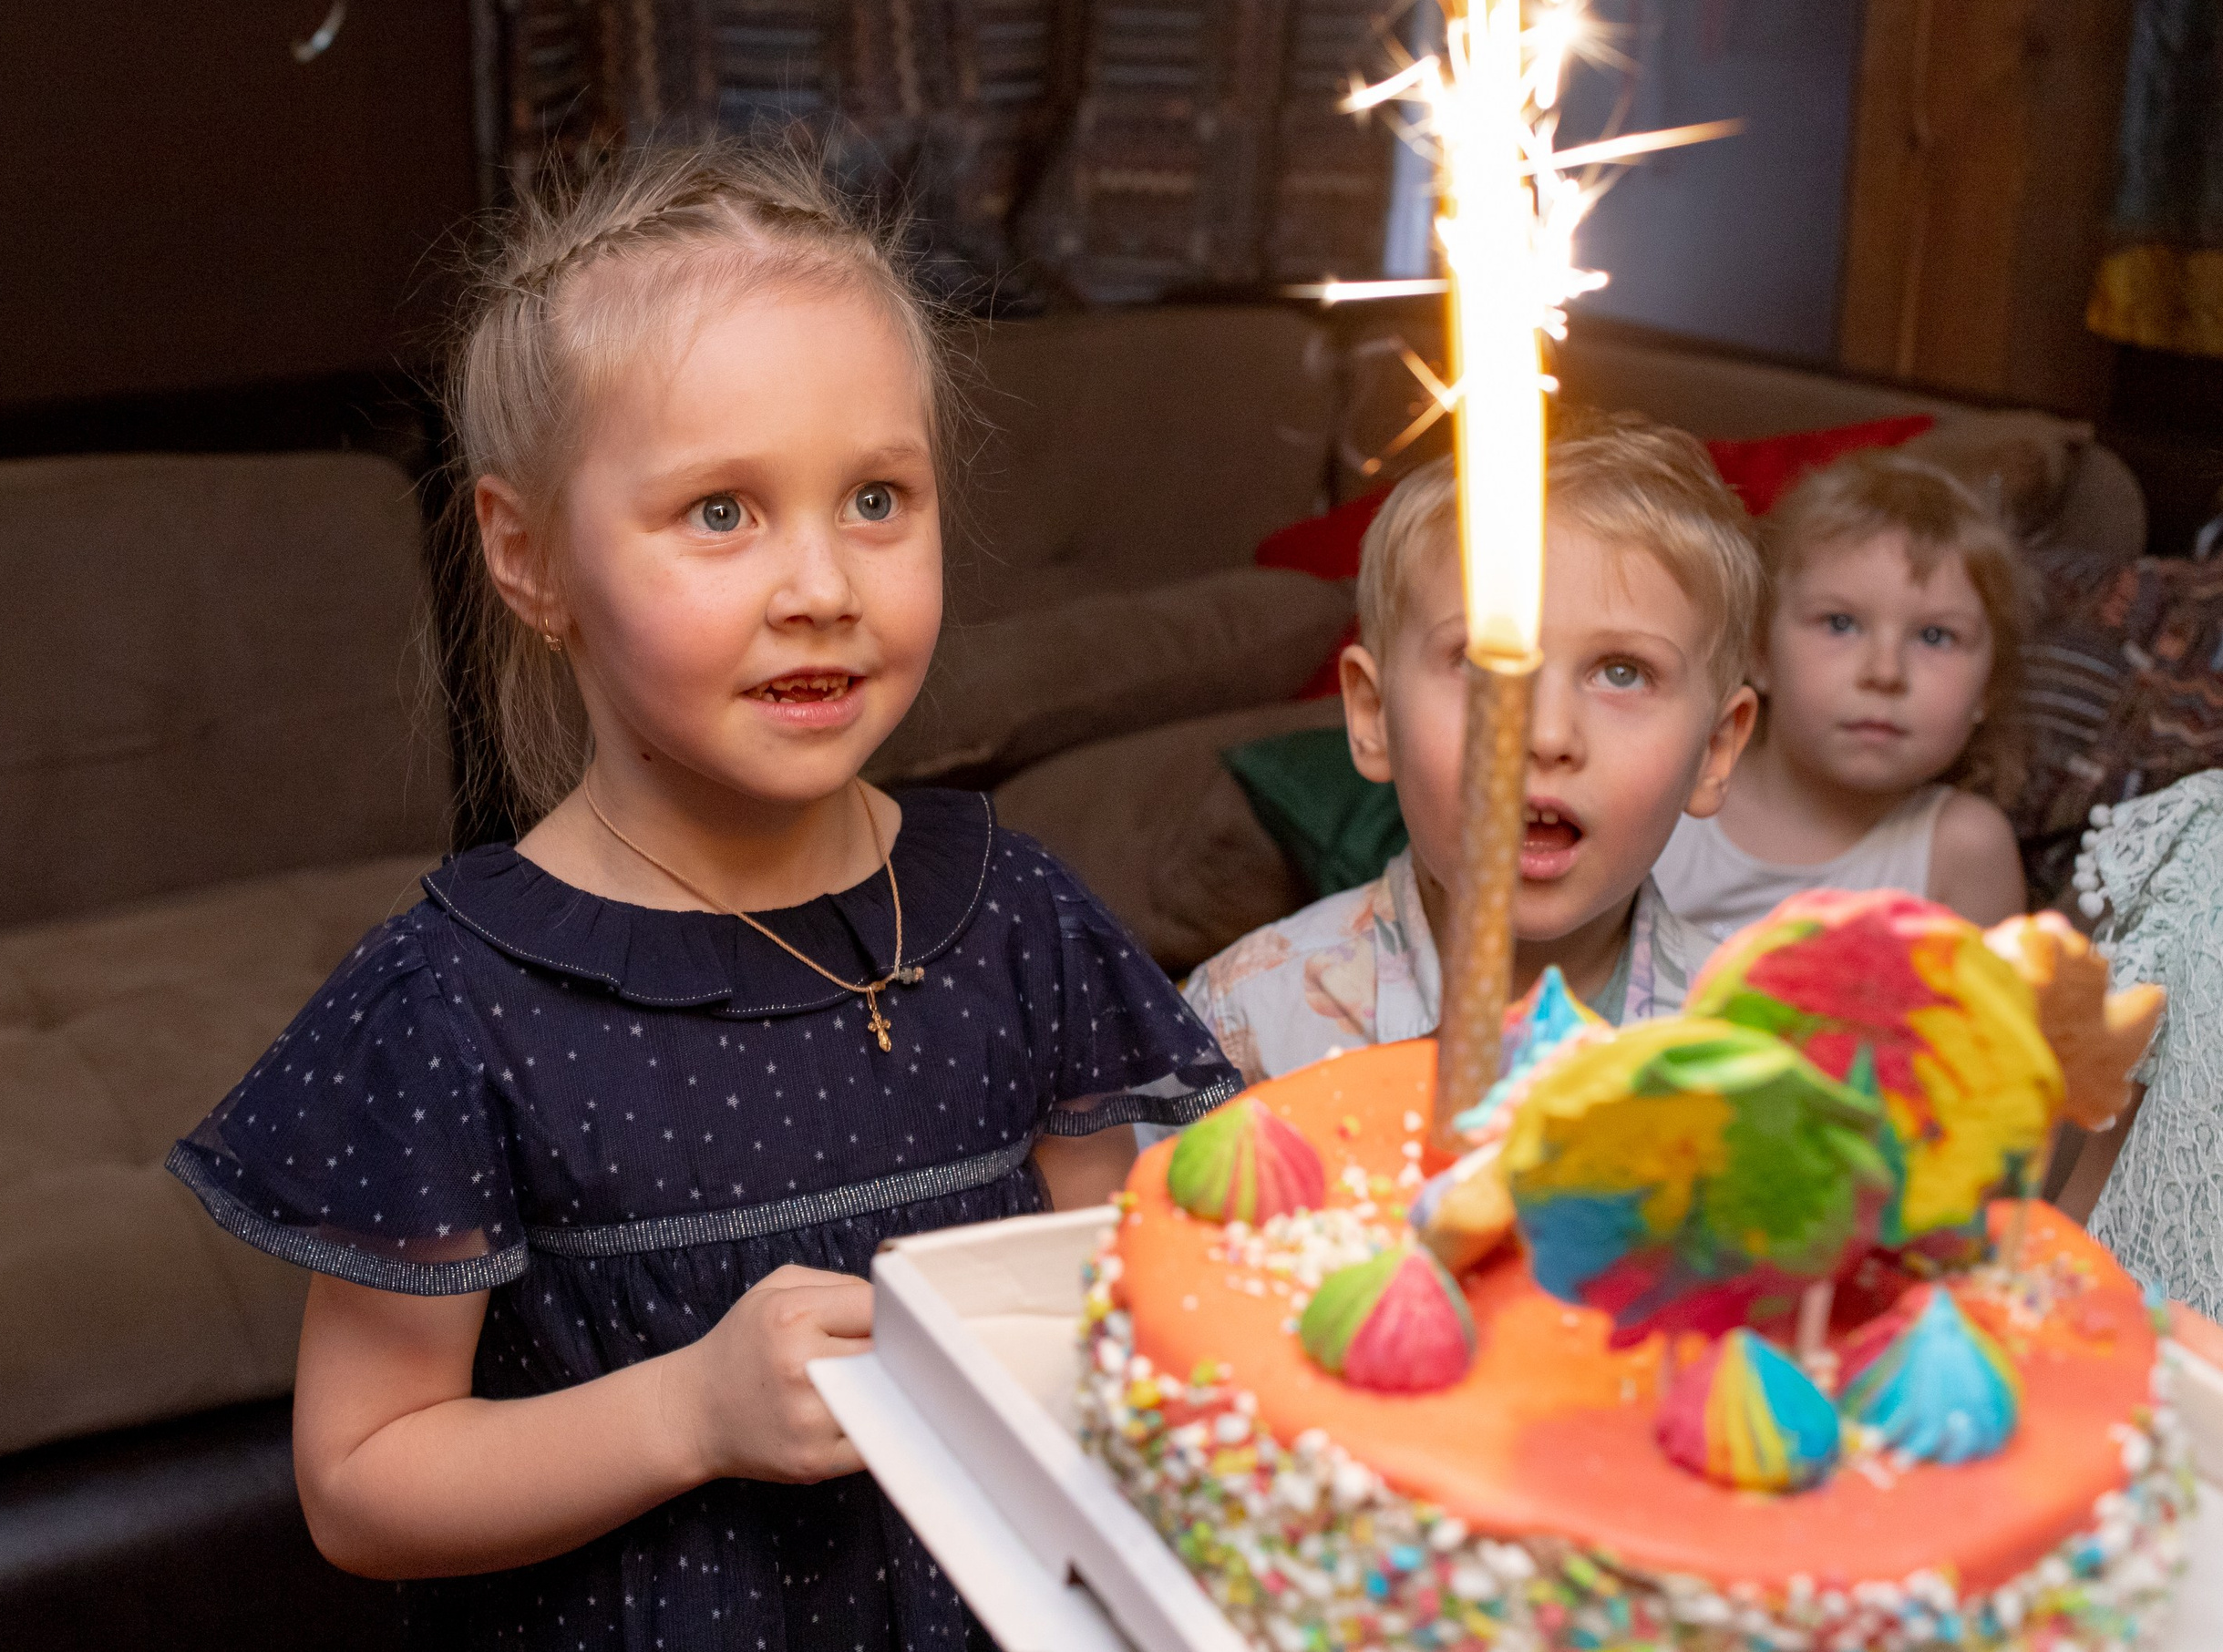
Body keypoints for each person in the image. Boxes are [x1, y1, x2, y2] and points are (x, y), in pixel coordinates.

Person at [165, 140, 1239, 1649]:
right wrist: (691, 1409)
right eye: (721, 513)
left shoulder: (1020, 914)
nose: (822, 583)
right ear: (529, 557)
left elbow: (1119, 1319)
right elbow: (360, 1482)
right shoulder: (454, 1003)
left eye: (877, 497)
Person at [1186, 413, 1760, 1084]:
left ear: (1715, 751)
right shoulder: (1241, 1024)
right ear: (1372, 714)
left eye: (1622, 672)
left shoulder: (1756, 1050)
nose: (1544, 735)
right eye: (1484, 662)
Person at [1654, 449, 2033, 938]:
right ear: (1760, 653)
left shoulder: (1964, 850)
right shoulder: (1669, 788)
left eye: (1935, 636)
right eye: (1840, 623)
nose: (1885, 672)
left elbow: (1992, 1014)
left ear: (1989, 686)